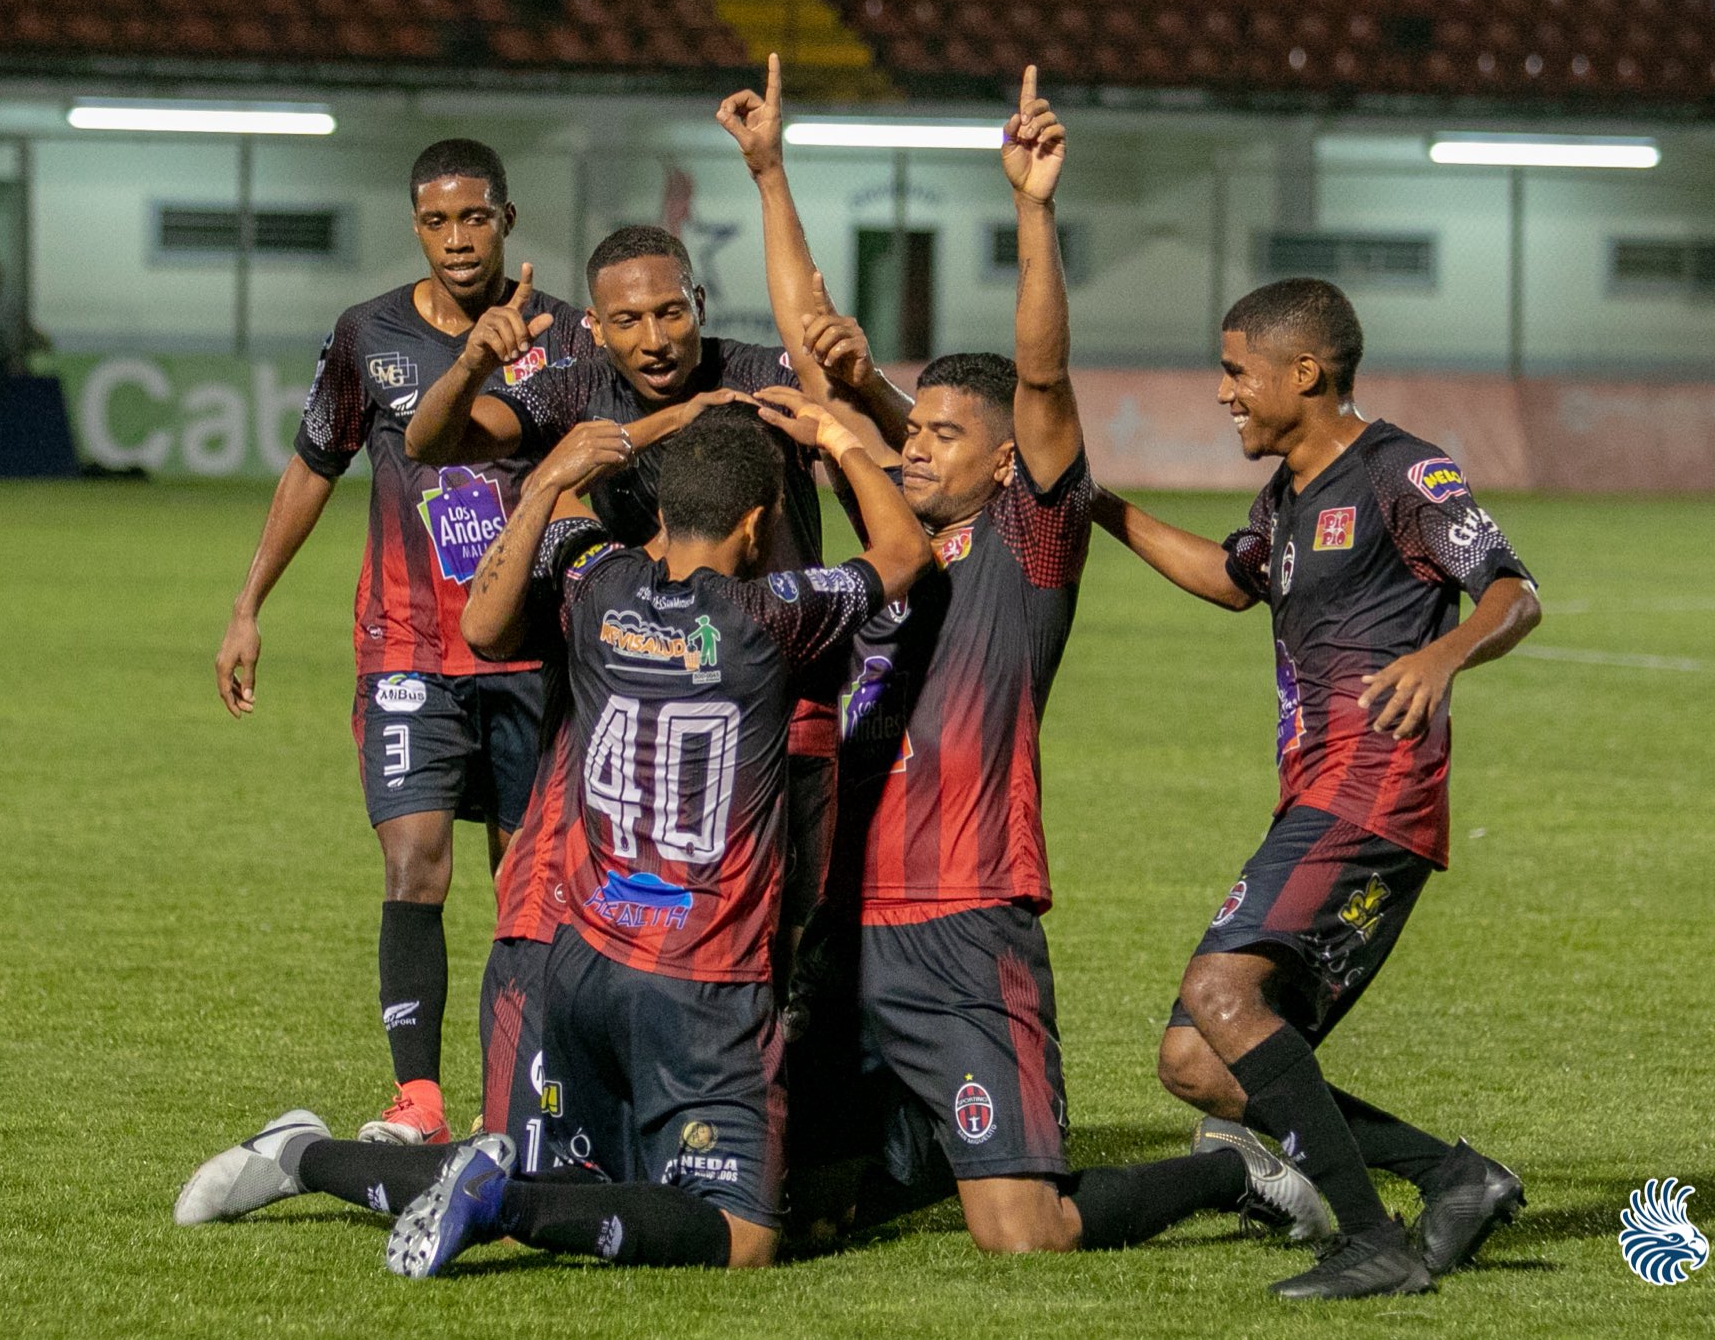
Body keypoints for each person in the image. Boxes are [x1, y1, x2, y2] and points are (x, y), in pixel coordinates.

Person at [787, 69, 1330, 1260]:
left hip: (962, 913)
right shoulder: (893, 539)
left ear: (1003, 464)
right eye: (912, 431)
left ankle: (1228, 1173)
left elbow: (1037, 383)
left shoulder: (1026, 541)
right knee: (788, 1218)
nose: (913, 449)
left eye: (942, 437)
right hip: (844, 918)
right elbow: (822, 372)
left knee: (1023, 1236)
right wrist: (767, 172)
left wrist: (1031, 210)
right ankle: (921, 1152)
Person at [385, 401, 933, 1275]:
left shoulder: (598, 582)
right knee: (744, 1235)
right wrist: (837, 439)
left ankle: (309, 1160)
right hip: (699, 974)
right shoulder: (769, 614)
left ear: (666, 514)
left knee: (615, 1180)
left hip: (584, 961)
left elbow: (493, 611)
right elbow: (905, 552)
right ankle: (503, 1200)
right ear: (757, 524)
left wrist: (564, 469)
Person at [1091, 276, 1544, 1299]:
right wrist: (1100, 506)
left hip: (1371, 791)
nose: (1223, 393)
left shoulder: (1398, 471)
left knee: (1219, 992)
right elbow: (1229, 579)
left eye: (1235, 371)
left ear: (1303, 371)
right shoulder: (1287, 496)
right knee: (1197, 1062)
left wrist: (1444, 657)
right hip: (1315, 796)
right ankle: (1452, 1177)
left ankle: (1370, 1240)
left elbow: (1514, 590)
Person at [212, 138, 594, 1147]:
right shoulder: (366, 334)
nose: (457, 239)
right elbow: (313, 465)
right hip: (407, 649)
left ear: (507, 219)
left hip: (532, 651)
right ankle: (417, 1098)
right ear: (415, 226)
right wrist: (249, 603)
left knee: (525, 886)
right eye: (436, 221)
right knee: (415, 863)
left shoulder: (564, 336)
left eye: (474, 217)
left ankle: (523, 1094)